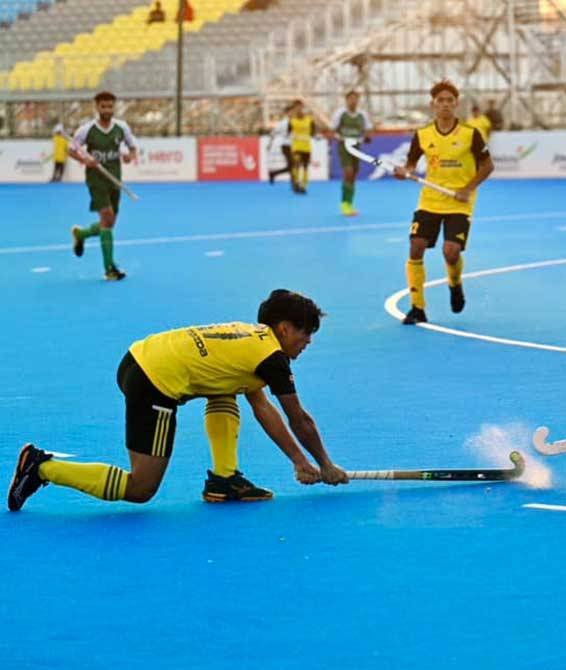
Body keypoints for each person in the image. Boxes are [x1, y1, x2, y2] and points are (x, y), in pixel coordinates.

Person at [8, 290, 349, 512]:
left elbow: (261, 406)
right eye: (306, 334)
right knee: (141, 487)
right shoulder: (272, 358)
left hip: (139, 358)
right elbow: (298, 419)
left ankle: (224, 478)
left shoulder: (250, 339)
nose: (308, 342)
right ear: (285, 328)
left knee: (225, 385)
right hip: (154, 383)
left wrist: (299, 461)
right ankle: (41, 466)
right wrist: (324, 465)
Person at [394, 79, 494, 325]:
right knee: (416, 246)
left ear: (456, 104)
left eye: (450, 100)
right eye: (441, 101)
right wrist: (404, 172)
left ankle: (455, 283)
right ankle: (417, 308)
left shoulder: (471, 135)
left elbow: (487, 166)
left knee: (451, 252)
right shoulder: (423, 135)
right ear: (433, 105)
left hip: (459, 202)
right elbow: (410, 165)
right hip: (429, 201)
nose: (445, 105)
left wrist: (467, 188)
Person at [69, 90, 137, 281]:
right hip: (96, 179)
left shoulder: (121, 128)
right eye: (103, 106)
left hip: (115, 179)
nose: (107, 109)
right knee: (107, 217)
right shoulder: (86, 130)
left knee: (109, 223)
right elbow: (71, 149)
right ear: (97, 107)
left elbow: (132, 147)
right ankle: (109, 269)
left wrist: (129, 156)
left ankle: (80, 233)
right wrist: (85, 159)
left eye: (110, 106)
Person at [330, 90, 374, 216]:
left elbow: (368, 129)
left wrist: (367, 137)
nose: (353, 101)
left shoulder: (362, 115)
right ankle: (344, 204)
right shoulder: (341, 113)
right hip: (344, 146)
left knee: (354, 174)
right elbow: (333, 129)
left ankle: (350, 203)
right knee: (348, 172)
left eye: (356, 99)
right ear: (346, 100)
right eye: (351, 99)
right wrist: (339, 137)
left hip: (356, 146)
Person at [288, 99, 317, 194]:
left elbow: (313, 132)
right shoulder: (291, 120)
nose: (298, 109)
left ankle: (304, 185)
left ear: (302, 107)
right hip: (296, 147)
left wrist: (313, 134)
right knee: (296, 164)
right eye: (296, 107)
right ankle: (296, 183)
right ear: (294, 109)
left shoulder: (309, 120)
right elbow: (288, 132)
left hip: (306, 147)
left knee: (305, 167)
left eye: (300, 107)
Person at [267, 104, 293, 187]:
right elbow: (273, 133)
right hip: (286, 145)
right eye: (290, 112)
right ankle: (294, 184)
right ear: (287, 113)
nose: (292, 113)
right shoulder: (282, 123)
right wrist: (269, 144)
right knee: (292, 165)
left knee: (292, 166)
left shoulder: (297, 121)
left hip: (296, 145)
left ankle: (273, 173)